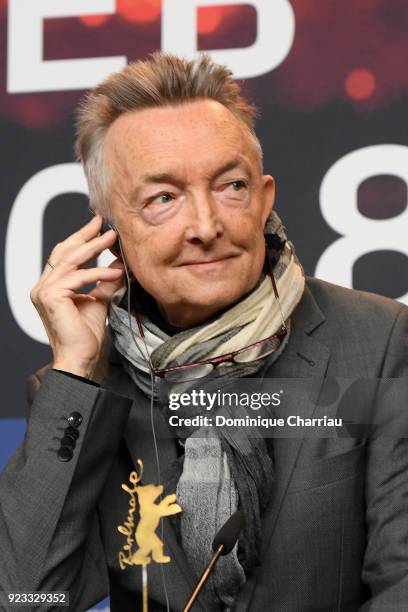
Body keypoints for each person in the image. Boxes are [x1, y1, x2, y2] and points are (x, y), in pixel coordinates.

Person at [0, 52, 407, 612]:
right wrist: (76, 372)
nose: (206, 226)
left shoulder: (380, 341)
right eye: (163, 198)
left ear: (264, 199)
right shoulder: (88, 388)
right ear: (109, 232)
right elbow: (25, 599)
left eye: (230, 186)